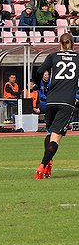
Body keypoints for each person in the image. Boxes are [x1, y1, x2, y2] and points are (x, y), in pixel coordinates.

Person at [32, 32, 79, 179]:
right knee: (56, 138)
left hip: (51, 100)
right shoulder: (78, 58)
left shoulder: (53, 56)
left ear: (60, 43)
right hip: (67, 101)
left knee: (50, 133)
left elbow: (39, 71)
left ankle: (49, 162)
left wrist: (37, 85)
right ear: (73, 44)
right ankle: (42, 167)